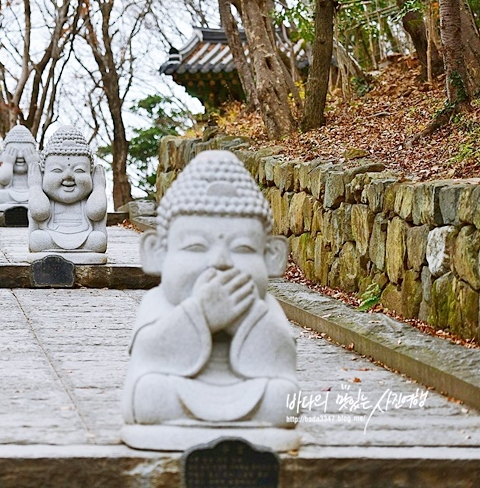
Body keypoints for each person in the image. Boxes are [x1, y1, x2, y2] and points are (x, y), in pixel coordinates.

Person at [122, 150, 298, 429]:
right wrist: (201, 313)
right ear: (156, 252)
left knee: (284, 399)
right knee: (149, 393)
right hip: (176, 388)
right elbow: (150, 354)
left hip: (252, 392)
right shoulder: (157, 302)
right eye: (195, 246)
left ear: (272, 257)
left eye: (242, 248)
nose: (220, 262)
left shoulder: (264, 305)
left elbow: (280, 358)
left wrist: (245, 318)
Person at [28, 125, 107, 256]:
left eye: (79, 170)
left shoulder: (88, 199)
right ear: (43, 175)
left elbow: (96, 213)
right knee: (37, 239)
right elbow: (39, 212)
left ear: (91, 175)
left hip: (85, 236)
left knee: (98, 240)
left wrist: (99, 186)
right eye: (57, 170)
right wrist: (35, 186)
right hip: (50, 236)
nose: (68, 176)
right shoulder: (44, 197)